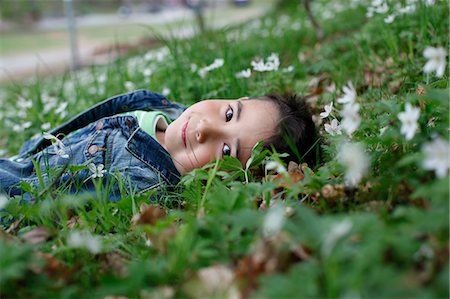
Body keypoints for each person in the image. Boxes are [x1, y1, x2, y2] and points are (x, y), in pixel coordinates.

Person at [0, 89, 317, 202]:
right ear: (239, 98)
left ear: (230, 180)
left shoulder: (142, 183)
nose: (204, 128)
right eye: (229, 113)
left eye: (226, 152)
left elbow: (34, 197)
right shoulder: (165, 109)